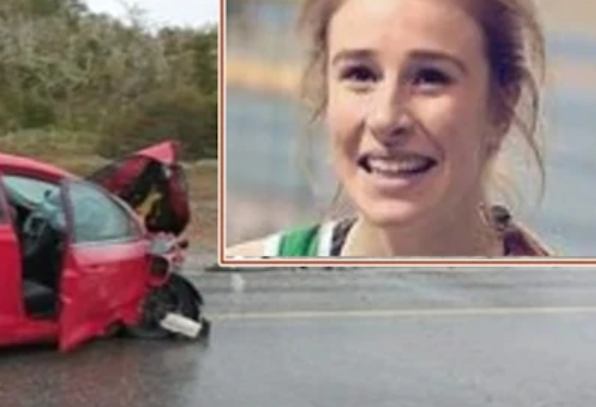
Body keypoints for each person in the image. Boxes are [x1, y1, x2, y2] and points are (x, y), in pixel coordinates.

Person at [228, 0, 553, 258]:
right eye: (360, 74)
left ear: (501, 108)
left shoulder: (571, 313)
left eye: (430, 77)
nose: (385, 119)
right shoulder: (243, 284)